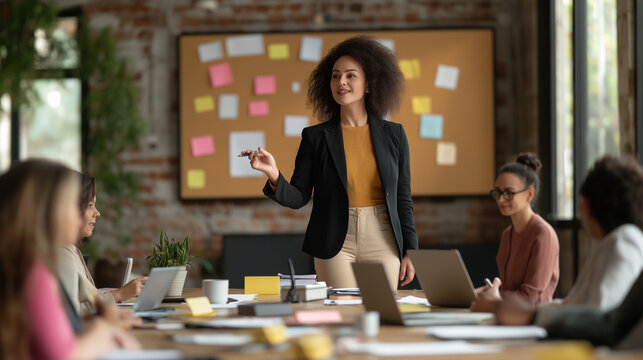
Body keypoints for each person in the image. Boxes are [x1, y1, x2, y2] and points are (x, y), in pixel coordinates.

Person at [241, 36, 418, 288]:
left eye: (350, 75)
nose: (341, 82)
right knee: (341, 312)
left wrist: (411, 249)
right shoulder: (315, 137)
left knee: (379, 313)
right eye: (335, 76)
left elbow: (403, 199)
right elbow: (299, 196)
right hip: (335, 241)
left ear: (369, 84)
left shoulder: (394, 134)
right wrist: (274, 175)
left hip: (384, 237)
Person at [471, 156, 643, 349]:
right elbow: (573, 304)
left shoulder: (624, 243)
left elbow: (600, 318)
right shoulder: (611, 243)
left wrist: (528, 314)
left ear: (587, 207)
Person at [0, 159, 139, 360]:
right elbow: (65, 356)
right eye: (72, 206)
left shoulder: (16, 265)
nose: (79, 215)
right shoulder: (33, 273)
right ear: (46, 211)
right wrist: (103, 329)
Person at [475, 153, 559, 306]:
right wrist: (482, 293)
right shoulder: (507, 235)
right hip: (508, 316)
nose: (500, 199)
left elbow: (528, 298)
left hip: (532, 322)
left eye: (509, 193)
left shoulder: (543, 234)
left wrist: (494, 297)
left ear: (530, 194)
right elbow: (509, 290)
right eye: (498, 192)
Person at [58, 173, 147, 316]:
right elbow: (71, 314)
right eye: (89, 205)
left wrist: (104, 293)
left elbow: (81, 297)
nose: (97, 213)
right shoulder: (62, 254)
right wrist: (118, 294)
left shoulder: (70, 249)